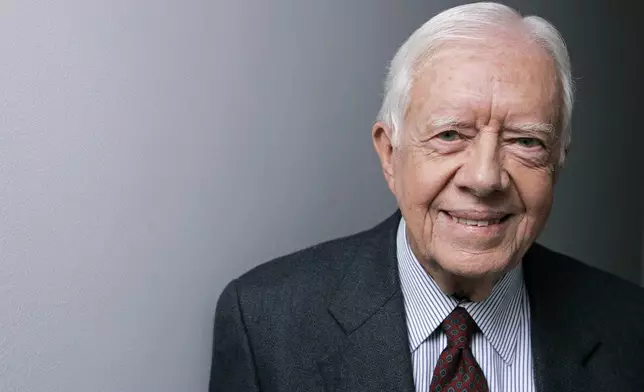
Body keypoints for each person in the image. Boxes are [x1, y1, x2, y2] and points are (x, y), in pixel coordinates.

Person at [209, 2, 644, 391]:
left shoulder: (630, 328)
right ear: (389, 154)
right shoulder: (265, 324)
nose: (485, 177)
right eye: (450, 134)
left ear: (559, 161)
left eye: (526, 142)